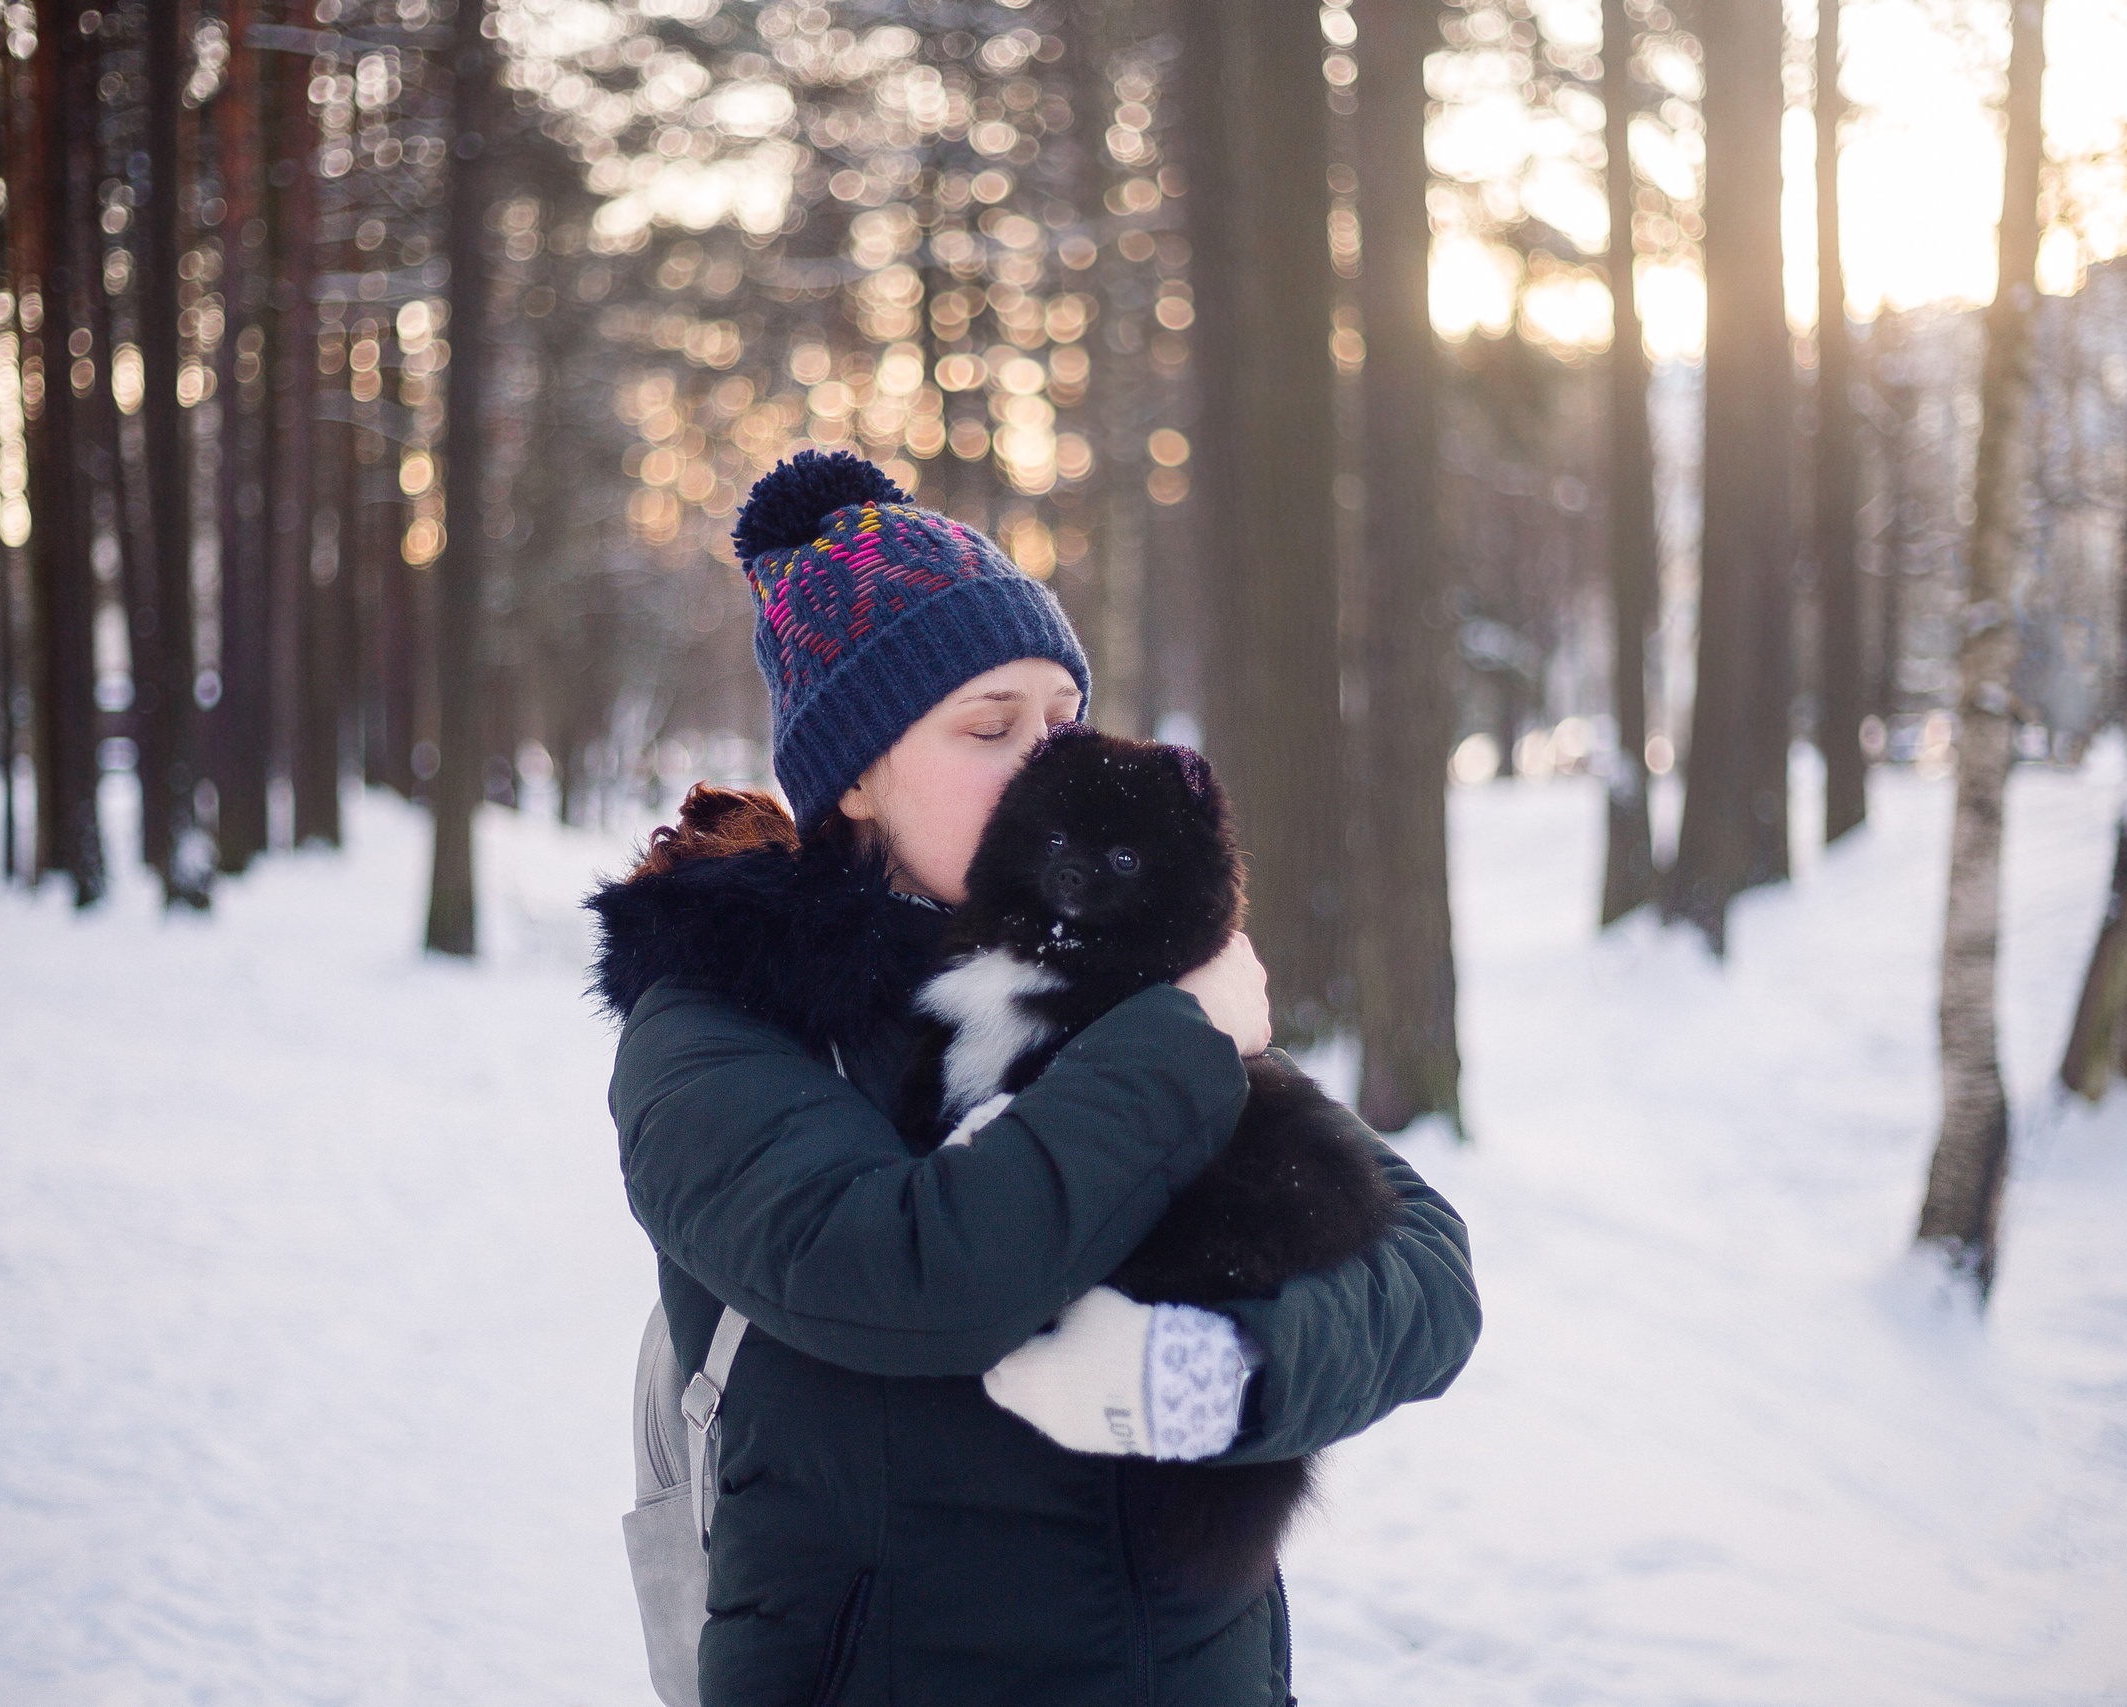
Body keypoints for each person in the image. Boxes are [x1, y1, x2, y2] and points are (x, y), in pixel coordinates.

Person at [590, 450, 1480, 1706]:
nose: (1050, 764)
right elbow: (913, 1279)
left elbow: (1424, 1270)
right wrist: (1183, 1041)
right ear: (851, 772)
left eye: (1062, 721)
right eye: (989, 727)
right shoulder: (720, 1019)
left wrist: (1222, 1374)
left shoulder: (1116, 973)